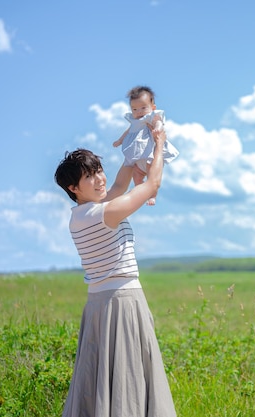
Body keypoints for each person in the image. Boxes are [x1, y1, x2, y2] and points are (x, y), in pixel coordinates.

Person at [54, 120, 177, 417]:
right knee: (129, 379)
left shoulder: (80, 216)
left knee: (101, 379)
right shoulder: (104, 214)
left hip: (98, 304)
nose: (99, 180)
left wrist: (132, 154)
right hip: (122, 301)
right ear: (73, 187)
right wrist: (159, 143)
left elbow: (120, 185)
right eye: (89, 177)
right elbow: (152, 185)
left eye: (98, 171)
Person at [113, 85, 179, 206]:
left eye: (143, 108)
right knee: (136, 176)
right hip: (138, 159)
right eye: (134, 109)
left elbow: (158, 122)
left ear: (152, 107)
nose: (138, 112)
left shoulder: (151, 116)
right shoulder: (134, 121)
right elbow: (128, 131)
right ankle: (141, 194)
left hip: (149, 155)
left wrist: (158, 128)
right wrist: (120, 140)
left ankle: (152, 196)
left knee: (151, 177)